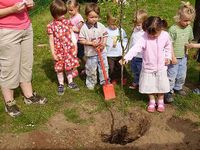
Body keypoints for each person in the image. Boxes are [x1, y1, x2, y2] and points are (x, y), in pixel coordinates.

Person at [0, 0, 47, 117]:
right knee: (9, 66)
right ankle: (9, 102)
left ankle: (29, 95)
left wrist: (30, 4)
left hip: (26, 28)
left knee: (27, 63)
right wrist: (12, 10)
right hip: (7, 31)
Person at [120, 16, 172, 113]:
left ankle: (160, 101)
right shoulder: (144, 37)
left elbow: (168, 46)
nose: (152, 36)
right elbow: (136, 48)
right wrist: (126, 57)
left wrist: (168, 57)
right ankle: (152, 101)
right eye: (150, 34)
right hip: (148, 67)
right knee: (149, 86)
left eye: (155, 34)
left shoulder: (165, 35)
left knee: (161, 85)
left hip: (161, 67)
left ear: (160, 29)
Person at [165, 1, 196, 103]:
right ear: (179, 18)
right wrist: (172, 57)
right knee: (171, 74)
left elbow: (189, 40)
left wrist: (189, 47)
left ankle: (178, 87)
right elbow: (168, 44)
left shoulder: (189, 28)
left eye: (190, 21)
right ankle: (168, 91)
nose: (188, 23)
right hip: (174, 57)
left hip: (184, 56)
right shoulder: (173, 29)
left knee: (182, 74)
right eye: (186, 20)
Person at [47, 0, 80, 95]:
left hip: (69, 49)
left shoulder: (67, 22)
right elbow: (51, 41)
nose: (63, 16)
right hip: (59, 51)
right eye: (60, 14)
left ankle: (70, 82)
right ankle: (61, 84)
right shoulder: (51, 26)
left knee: (69, 67)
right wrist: (53, 53)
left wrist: (75, 47)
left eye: (64, 14)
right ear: (54, 14)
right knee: (60, 68)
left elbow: (72, 34)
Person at [79, 3, 109, 90]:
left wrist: (103, 43)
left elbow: (105, 35)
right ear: (86, 16)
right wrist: (91, 43)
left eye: (96, 17)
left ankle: (105, 82)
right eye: (91, 17)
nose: (94, 19)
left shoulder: (101, 26)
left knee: (104, 68)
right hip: (91, 53)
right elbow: (81, 40)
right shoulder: (84, 28)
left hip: (102, 52)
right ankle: (91, 82)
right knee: (91, 69)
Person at [106, 13, 128, 85]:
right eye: (112, 24)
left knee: (120, 66)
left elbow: (125, 40)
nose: (114, 26)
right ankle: (113, 78)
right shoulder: (106, 31)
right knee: (111, 68)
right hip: (109, 54)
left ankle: (123, 77)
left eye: (116, 24)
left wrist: (124, 49)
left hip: (119, 53)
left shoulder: (121, 31)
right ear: (108, 22)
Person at [128, 9, 147, 89]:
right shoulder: (135, 31)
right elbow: (132, 41)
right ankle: (136, 81)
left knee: (142, 71)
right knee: (134, 70)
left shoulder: (146, 33)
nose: (137, 26)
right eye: (135, 24)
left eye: (139, 25)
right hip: (134, 56)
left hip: (142, 57)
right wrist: (128, 52)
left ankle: (143, 84)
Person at [66, 0, 85, 74]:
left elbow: (81, 30)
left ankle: (86, 66)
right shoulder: (72, 16)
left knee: (81, 55)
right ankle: (74, 69)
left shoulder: (79, 18)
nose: (69, 12)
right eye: (68, 10)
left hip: (78, 41)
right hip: (73, 40)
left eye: (71, 10)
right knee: (74, 55)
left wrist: (72, 29)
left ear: (77, 8)